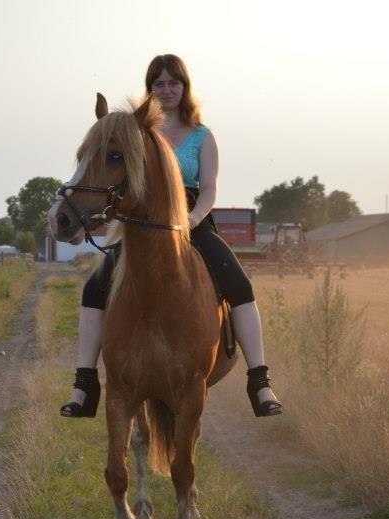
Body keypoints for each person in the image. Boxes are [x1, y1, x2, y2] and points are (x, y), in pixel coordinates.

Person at [59, 54, 282, 419]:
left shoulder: (202, 136)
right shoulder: (137, 136)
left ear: (185, 87)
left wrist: (192, 217)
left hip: (194, 221)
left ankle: (259, 380)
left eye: (173, 83)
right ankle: (84, 382)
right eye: (158, 84)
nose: (166, 90)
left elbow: (209, 188)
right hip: (144, 228)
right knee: (94, 287)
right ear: (150, 91)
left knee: (238, 282)